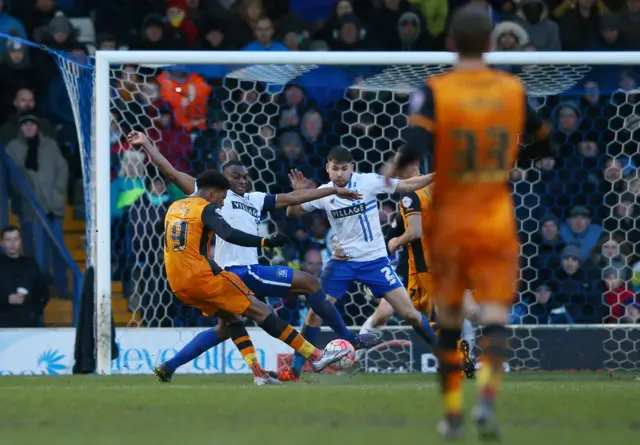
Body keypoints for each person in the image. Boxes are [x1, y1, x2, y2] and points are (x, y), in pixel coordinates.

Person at [386, 4, 554, 439]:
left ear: (452, 42)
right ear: (494, 42)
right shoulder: (511, 90)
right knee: (495, 314)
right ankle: (487, 402)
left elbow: (415, 142)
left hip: (452, 218)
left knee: (450, 317)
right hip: (496, 216)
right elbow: (544, 140)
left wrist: (396, 165)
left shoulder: (437, 89)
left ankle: (453, 414)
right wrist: (516, 161)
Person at [127, 131, 379, 381]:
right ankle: (344, 341)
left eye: (245, 176)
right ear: (220, 181)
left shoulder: (254, 199)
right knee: (310, 283)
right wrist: (147, 144)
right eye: (235, 176)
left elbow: (293, 198)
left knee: (226, 327)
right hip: (237, 271)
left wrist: (331, 191)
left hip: (224, 279)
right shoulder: (207, 197)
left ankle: (171, 366)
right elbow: (170, 171)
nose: (242, 180)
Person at [285, 146, 438, 379]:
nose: (339, 174)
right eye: (335, 168)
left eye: (344, 169)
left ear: (352, 168)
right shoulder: (323, 192)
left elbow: (405, 185)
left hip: (375, 261)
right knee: (314, 314)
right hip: (341, 263)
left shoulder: (368, 182)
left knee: (409, 313)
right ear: (327, 168)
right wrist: (297, 193)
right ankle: (295, 370)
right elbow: (292, 214)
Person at [357, 160, 476, 379]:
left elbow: (411, 234)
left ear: (414, 166)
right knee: (398, 313)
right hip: (418, 267)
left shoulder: (411, 197)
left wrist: (395, 242)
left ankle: (457, 355)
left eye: (400, 170)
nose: (397, 176)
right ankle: (354, 357)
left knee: (425, 313)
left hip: (423, 267)